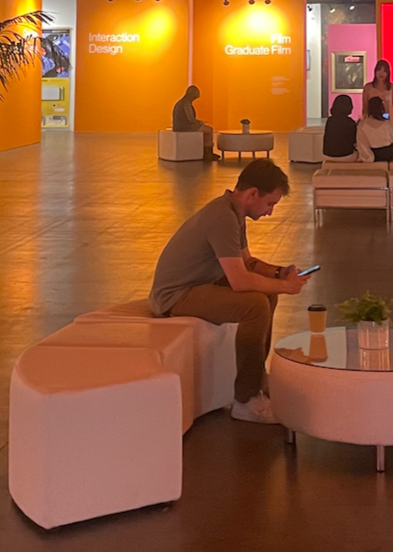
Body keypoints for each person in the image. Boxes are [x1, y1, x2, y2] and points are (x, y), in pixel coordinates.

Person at [149, 157, 307, 424]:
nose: (270, 212)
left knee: (267, 294)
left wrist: (280, 273)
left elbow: (247, 262)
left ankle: (256, 380)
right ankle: (245, 399)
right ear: (253, 194)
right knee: (255, 305)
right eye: (270, 203)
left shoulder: (233, 212)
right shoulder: (222, 217)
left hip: (200, 284)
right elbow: (240, 281)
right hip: (175, 296)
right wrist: (285, 286)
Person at [357, 94, 393, 162]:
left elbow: (361, 143)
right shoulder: (388, 124)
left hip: (373, 154)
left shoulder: (362, 125)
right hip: (389, 153)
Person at [171, 84, 213, 154]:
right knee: (209, 130)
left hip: (178, 127)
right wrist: (200, 122)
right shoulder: (186, 103)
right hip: (185, 127)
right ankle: (208, 152)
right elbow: (191, 119)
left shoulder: (180, 102)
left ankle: (204, 151)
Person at [322, 93, 358, 159]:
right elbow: (355, 141)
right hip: (346, 155)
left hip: (327, 155)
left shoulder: (330, 120)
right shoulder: (350, 122)